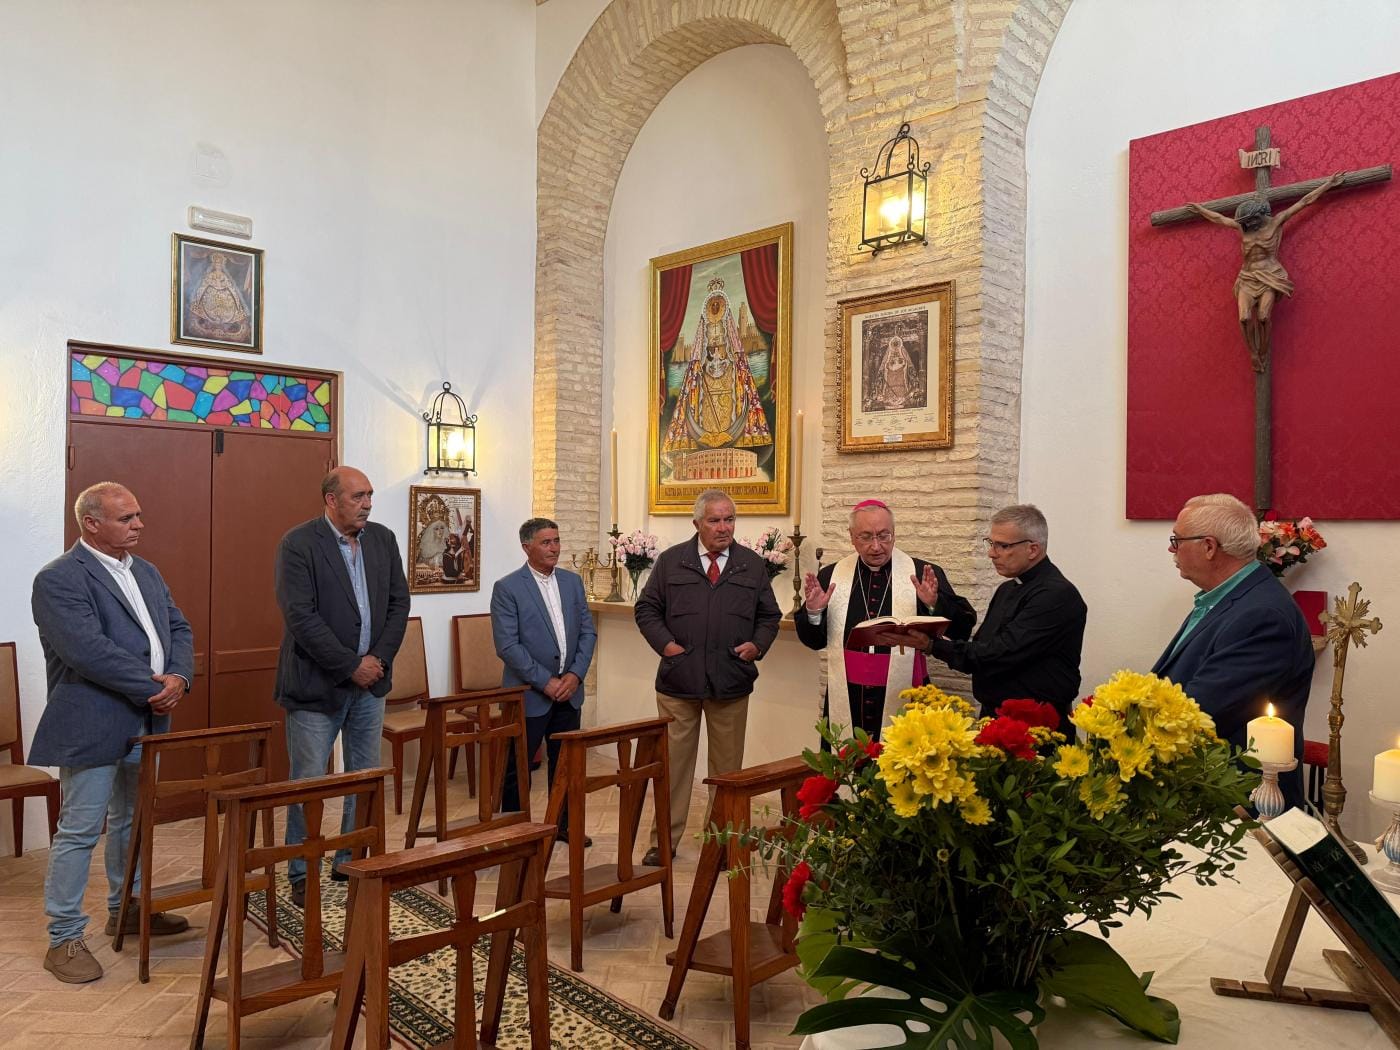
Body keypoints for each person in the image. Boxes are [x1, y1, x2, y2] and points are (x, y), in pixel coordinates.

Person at [30, 482, 194, 984]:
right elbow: (87, 651)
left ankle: (128, 908)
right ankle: (63, 938)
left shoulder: (145, 571)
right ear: (91, 524)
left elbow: (179, 628)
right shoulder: (59, 579)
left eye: (138, 515)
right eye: (127, 518)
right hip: (92, 721)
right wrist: (154, 687)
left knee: (134, 820)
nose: (139, 524)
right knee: (81, 830)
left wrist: (180, 678)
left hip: (147, 720)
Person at [274, 466, 410, 908]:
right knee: (308, 782)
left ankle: (351, 859)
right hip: (317, 686)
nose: (367, 503)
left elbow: (398, 603)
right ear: (331, 500)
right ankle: (302, 869)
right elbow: (301, 617)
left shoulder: (383, 540)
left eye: (370, 495)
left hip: (370, 686)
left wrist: (378, 661)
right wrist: (351, 665)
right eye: (358, 496)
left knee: (363, 778)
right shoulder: (299, 543)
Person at [634, 489, 781, 865]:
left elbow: (769, 616)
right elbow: (647, 609)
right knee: (674, 768)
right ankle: (662, 841)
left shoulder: (751, 564)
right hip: (678, 684)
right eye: (715, 520)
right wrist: (667, 646)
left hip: (730, 683)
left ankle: (722, 843)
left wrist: (757, 646)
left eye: (729, 519)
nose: (723, 527)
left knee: (727, 772)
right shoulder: (671, 562)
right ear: (697, 523)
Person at [1152, 493, 1313, 808]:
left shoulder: (1263, 614)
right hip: (1204, 788)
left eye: (1177, 540)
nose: (1172, 550)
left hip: (1240, 802)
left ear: (1209, 547)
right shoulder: (1225, 598)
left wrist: (1127, 723)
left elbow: (1202, 708)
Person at [795, 499, 975, 739]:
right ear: (851, 537)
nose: (876, 546)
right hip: (849, 695)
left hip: (907, 693)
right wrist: (814, 613)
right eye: (866, 537)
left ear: (894, 534)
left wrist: (934, 604)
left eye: (884, 535)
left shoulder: (922, 574)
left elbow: (961, 631)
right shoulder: (831, 575)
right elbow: (814, 642)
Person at [906, 504, 1086, 724]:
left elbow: (999, 654)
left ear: (1033, 549)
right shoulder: (1007, 589)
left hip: (1037, 724)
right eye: (991, 543)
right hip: (996, 715)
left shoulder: (1057, 595)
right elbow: (981, 643)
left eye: (1002, 545)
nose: (991, 553)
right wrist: (934, 605)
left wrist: (931, 646)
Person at [491, 517, 597, 843]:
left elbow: (587, 633)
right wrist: (546, 682)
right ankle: (514, 832)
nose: (554, 548)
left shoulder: (572, 582)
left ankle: (562, 825)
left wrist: (575, 675)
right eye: (546, 542)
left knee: (565, 764)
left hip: (568, 692)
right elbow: (508, 647)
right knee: (516, 766)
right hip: (530, 694)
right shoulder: (508, 588)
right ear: (527, 547)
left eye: (556, 541)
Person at [1184, 171, 1345, 374]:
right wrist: (1200, 210)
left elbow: (1304, 202)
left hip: (1269, 276)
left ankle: (1263, 349)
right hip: (1247, 277)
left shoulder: (1276, 222)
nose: (1246, 224)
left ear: (1260, 216)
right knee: (1243, 318)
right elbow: (1219, 219)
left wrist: (1329, 184)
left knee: (1262, 317)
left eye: (1250, 220)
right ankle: (1253, 353)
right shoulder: (1243, 228)